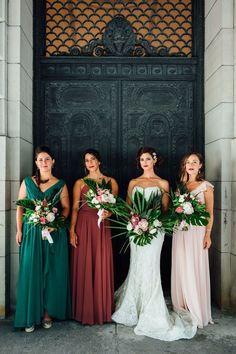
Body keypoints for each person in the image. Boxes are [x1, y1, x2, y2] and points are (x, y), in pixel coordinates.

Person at [112, 147, 197, 341]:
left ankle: (151, 308)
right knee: (137, 265)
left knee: (151, 266)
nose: (144, 162)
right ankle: (134, 305)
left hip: (155, 231)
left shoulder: (163, 183)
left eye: (148, 158)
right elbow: (128, 207)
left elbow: (166, 209)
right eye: (141, 159)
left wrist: (152, 222)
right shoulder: (133, 182)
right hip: (135, 231)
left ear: (154, 160)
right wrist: (134, 223)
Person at [14, 146, 71, 332]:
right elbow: (20, 207)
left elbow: (66, 208)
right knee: (31, 272)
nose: (43, 162)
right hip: (31, 233)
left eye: (47, 159)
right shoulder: (27, 182)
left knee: (51, 272)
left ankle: (47, 312)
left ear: (53, 161)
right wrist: (19, 230)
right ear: (36, 162)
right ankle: (30, 315)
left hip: (53, 234)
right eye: (40, 160)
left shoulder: (60, 184)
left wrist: (54, 223)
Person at [70, 148, 118, 325]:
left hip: (102, 226)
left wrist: (108, 214)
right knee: (84, 264)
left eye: (92, 159)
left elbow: (115, 207)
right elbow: (75, 208)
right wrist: (71, 230)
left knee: (101, 263)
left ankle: (101, 309)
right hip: (83, 225)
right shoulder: (80, 183)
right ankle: (84, 310)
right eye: (86, 160)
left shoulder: (110, 181)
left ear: (99, 162)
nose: (89, 163)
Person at [171, 152, 214, 328]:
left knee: (195, 266)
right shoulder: (180, 187)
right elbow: (175, 210)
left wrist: (207, 234)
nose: (191, 165)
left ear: (200, 166)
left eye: (194, 162)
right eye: (188, 162)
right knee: (182, 265)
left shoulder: (206, 187)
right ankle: (182, 305)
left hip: (197, 232)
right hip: (180, 231)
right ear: (185, 166)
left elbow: (210, 213)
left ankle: (196, 307)